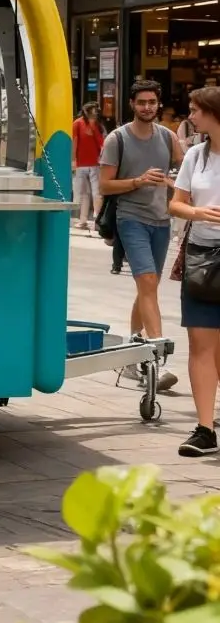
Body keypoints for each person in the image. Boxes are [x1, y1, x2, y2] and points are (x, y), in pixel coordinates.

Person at [99, 79, 181, 390]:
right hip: (130, 219)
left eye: (152, 102)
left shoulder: (168, 137)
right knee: (147, 282)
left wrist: (175, 185)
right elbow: (105, 185)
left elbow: (183, 170)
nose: (147, 107)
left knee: (148, 287)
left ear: (158, 104)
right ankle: (156, 360)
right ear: (132, 104)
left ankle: (132, 349)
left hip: (161, 221)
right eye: (141, 102)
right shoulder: (117, 139)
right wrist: (138, 181)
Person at [170, 85, 220, 456]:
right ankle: (205, 429)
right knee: (200, 343)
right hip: (202, 256)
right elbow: (176, 204)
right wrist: (198, 213)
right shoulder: (195, 156)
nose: (191, 115)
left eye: (196, 110)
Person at [72, 102, 105, 231]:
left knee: (96, 193)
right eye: (93, 111)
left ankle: (96, 219)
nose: (96, 113)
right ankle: (83, 220)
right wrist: (74, 160)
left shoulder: (96, 125)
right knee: (85, 193)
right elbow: (74, 142)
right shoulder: (78, 123)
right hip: (82, 163)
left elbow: (101, 144)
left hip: (94, 164)